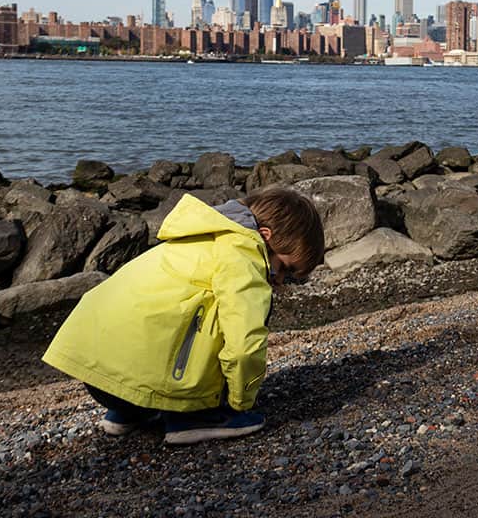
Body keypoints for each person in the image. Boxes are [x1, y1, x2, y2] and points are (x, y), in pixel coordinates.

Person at [42, 186, 325, 445]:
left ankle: (129, 412)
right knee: (230, 318)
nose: (280, 280)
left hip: (96, 372)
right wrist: (240, 402)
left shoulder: (199, 236)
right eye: (284, 269)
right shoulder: (243, 253)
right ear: (265, 236)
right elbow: (243, 344)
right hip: (137, 378)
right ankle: (193, 417)